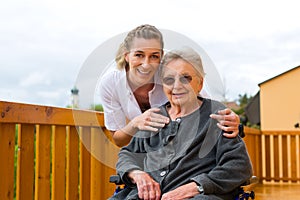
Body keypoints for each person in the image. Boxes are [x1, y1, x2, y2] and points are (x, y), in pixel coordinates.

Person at [110, 47, 252, 200]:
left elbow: (239, 166)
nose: (177, 86)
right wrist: (136, 173)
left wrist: (197, 186)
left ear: (200, 83)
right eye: (169, 80)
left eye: (185, 78)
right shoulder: (154, 116)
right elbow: (128, 154)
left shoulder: (217, 116)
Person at [99, 24, 241, 147]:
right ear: (126, 55)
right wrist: (135, 123)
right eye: (139, 55)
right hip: (149, 156)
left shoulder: (171, 74)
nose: (146, 64)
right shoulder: (111, 84)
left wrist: (232, 120)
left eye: (154, 56)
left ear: (161, 56)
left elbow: (208, 108)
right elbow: (118, 140)